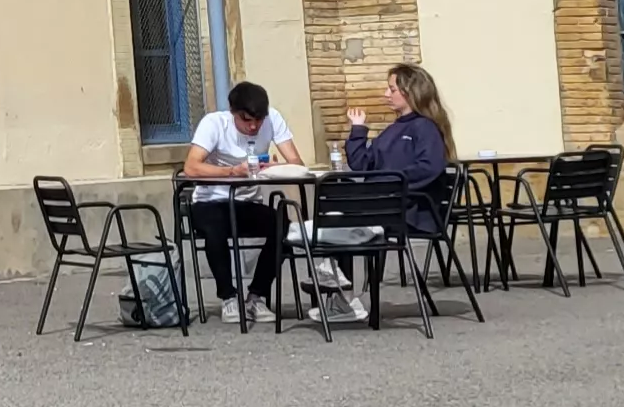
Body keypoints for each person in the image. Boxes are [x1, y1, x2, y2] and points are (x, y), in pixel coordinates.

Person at [320, 64, 458, 323]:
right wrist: (358, 130)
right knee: (333, 200)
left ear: (409, 92)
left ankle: (338, 282)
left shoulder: (424, 128)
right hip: (387, 204)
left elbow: (429, 167)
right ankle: (337, 282)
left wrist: (389, 184)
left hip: (410, 210)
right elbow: (363, 164)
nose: (386, 94)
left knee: (340, 210)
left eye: (391, 89)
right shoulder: (394, 129)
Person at [180, 82, 301, 323]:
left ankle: (257, 295)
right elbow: (191, 167)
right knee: (216, 228)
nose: (253, 126)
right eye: (246, 120)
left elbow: (297, 163)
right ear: (233, 112)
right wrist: (234, 172)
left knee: (282, 226)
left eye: (258, 120)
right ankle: (228, 297)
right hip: (210, 200)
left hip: (247, 202)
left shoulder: (272, 118)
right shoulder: (214, 123)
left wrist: (274, 167)